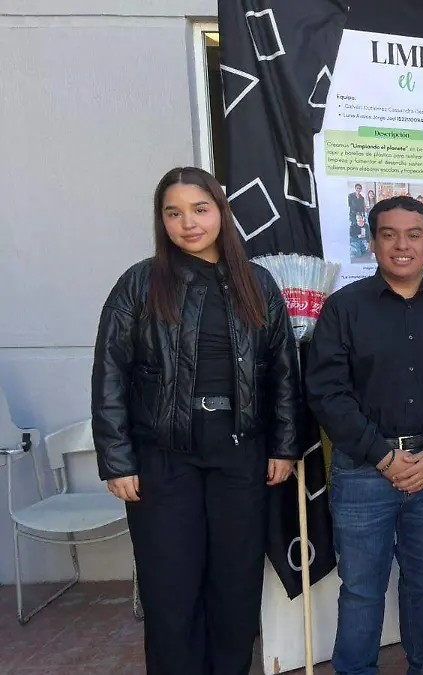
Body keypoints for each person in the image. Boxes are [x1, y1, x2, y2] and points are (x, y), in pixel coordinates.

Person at [92, 166, 300, 675]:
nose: (188, 223)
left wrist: (284, 446)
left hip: (239, 458)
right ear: (161, 221)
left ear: (221, 212)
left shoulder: (258, 283)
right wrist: (116, 460)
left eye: (200, 209)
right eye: (174, 213)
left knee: (234, 589)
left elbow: (283, 373)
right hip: (163, 461)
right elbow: (109, 373)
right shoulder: (140, 283)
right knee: (171, 593)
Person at [307, 195, 423, 675]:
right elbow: (328, 395)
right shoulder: (343, 309)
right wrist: (383, 458)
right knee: (362, 590)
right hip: (363, 473)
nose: (402, 245)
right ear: (372, 243)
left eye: (414, 235)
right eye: (389, 235)